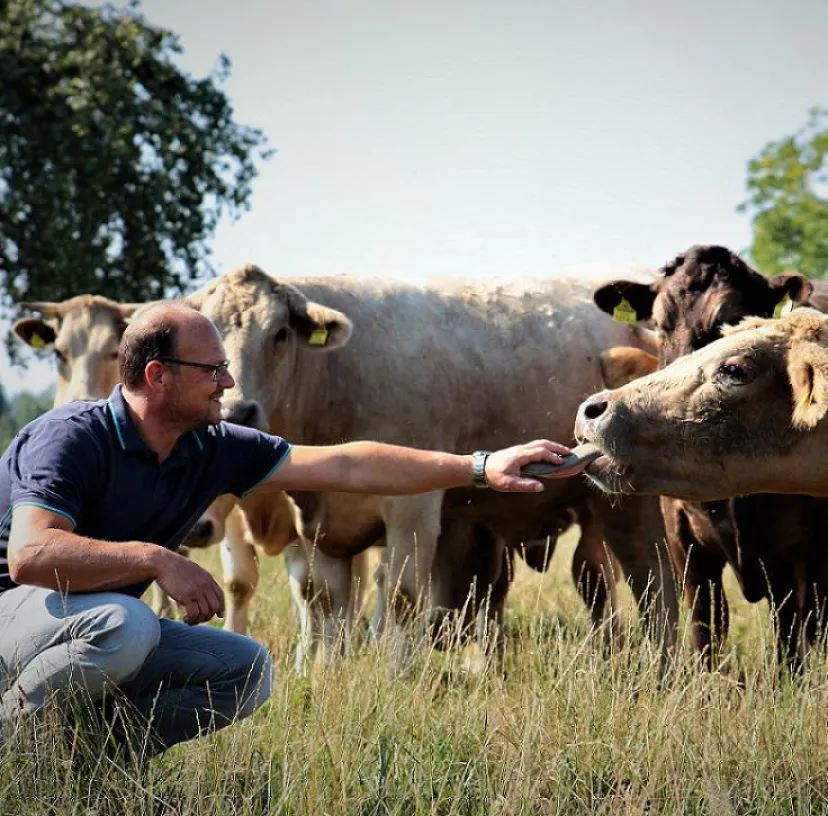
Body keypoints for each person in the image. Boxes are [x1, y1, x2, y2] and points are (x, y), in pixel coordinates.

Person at [0, 301, 583, 758]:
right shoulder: (72, 438)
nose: (230, 382)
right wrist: (156, 558)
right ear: (158, 376)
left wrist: (478, 466)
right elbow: (29, 555)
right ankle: (17, 743)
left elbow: (347, 464)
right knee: (127, 625)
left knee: (245, 669)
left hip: (87, 625)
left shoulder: (208, 446)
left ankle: (95, 760)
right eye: (214, 369)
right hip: (19, 612)